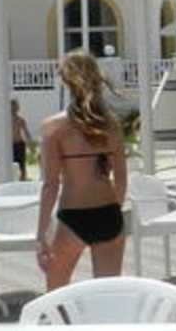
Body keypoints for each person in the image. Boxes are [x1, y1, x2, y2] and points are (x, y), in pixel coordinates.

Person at [35, 50, 128, 291]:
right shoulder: (111, 124)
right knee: (107, 297)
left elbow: (51, 184)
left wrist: (41, 234)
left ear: (66, 81)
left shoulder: (53, 127)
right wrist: (114, 211)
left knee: (56, 297)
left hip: (73, 216)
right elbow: (121, 178)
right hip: (108, 213)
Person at [10, 99, 32, 181]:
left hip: (19, 144)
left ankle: (23, 180)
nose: (14, 109)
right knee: (10, 165)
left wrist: (31, 144)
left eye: (15, 106)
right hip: (9, 146)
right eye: (12, 106)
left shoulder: (20, 119)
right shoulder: (5, 120)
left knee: (22, 165)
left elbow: (26, 132)